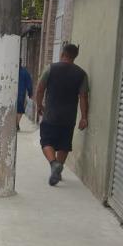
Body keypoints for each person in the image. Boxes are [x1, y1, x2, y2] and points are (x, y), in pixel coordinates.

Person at [35, 43, 89, 186]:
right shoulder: (81, 74)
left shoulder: (50, 68)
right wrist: (84, 117)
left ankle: (54, 164)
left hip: (50, 114)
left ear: (62, 54)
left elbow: (40, 89)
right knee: (64, 145)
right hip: (69, 117)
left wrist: (39, 105)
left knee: (46, 141)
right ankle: (58, 170)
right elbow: (83, 97)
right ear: (75, 56)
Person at [17, 62, 33, 131]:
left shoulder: (10, 70)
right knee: (19, 110)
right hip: (21, 94)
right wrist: (30, 93)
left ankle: (15, 124)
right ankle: (16, 124)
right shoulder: (25, 72)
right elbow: (29, 84)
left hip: (11, 94)